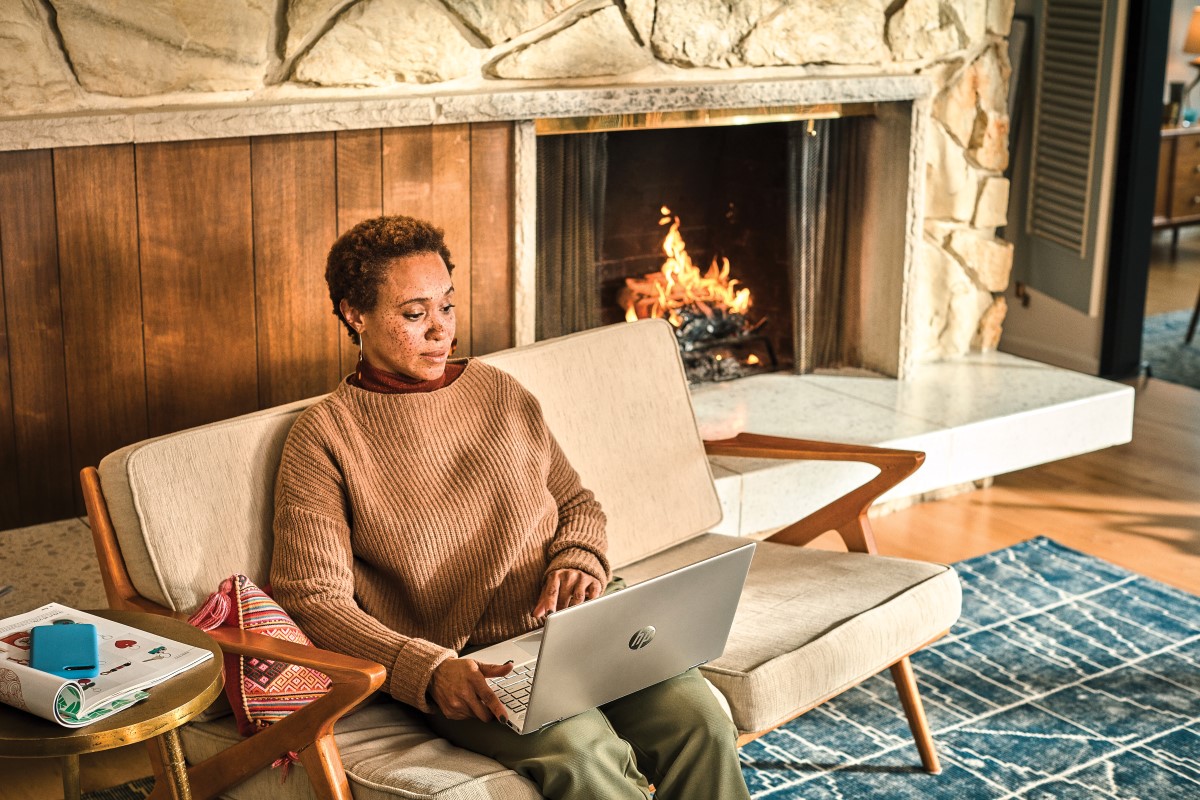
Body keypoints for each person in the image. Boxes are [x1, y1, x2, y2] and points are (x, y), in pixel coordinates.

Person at [270, 215, 750, 800]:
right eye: (414, 314)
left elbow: (577, 503)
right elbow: (312, 600)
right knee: (585, 756)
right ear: (355, 314)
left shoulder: (499, 391)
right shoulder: (325, 437)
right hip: (471, 667)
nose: (440, 332)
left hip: (580, 627)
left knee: (703, 722)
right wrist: (421, 667)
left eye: (446, 306)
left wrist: (579, 558)